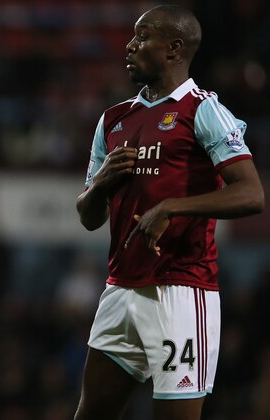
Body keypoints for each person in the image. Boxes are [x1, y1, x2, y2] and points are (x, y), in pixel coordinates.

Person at [74, 5, 264, 420]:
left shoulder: (203, 110)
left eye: (142, 37)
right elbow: (89, 217)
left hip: (180, 290)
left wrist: (172, 207)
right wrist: (102, 182)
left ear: (175, 48)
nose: (130, 45)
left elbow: (251, 194)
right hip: (119, 289)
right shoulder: (113, 119)